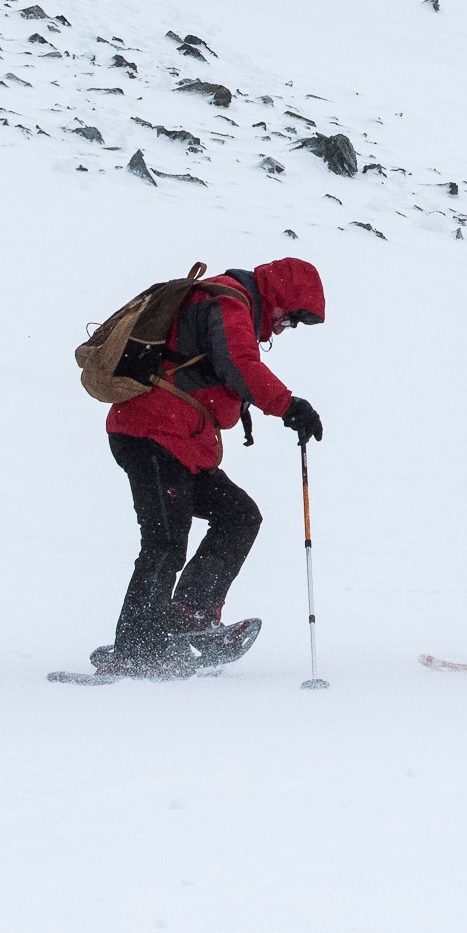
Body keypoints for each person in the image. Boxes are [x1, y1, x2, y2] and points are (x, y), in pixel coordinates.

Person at [92, 258, 327, 679]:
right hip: (151, 434)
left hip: (182, 444)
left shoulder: (234, 307)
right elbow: (238, 366)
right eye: (288, 319)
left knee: (239, 515)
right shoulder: (228, 303)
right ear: (277, 297)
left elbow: (220, 373)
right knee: (164, 541)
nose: (282, 329)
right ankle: (135, 650)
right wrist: (289, 405)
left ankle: (188, 614)